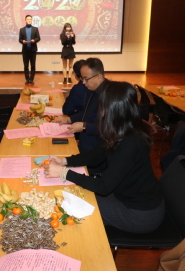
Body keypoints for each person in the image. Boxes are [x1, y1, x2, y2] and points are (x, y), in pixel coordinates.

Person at [45, 81, 165, 234]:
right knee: (76, 196)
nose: (99, 111)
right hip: (125, 198)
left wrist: (63, 172)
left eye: (102, 106)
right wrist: (65, 161)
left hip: (139, 214)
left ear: (112, 110)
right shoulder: (121, 128)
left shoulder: (131, 142)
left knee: (74, 207)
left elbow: (103, 186)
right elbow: (95, 156)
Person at [57, 58, 108, 165]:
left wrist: (85, 126)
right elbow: (88, 113)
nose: (83, 83)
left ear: (98, 77)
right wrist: (69, 119)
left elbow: (110, 127)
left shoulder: (110, 95)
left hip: (98, 154)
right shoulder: (92, 90)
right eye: (82, 78)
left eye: (86, 79)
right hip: (87, 148)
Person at [18, 15, 40, 85]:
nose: (29, 20)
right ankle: (27, 79)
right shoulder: (22, 29)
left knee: (33, 65)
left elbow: (38, 38)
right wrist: (22, 41)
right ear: (25, 20)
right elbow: (20, 39)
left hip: (33, 50)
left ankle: (32, 79)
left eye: (30, 19)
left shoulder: (35, 29)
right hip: (25, 50)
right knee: (26, 66)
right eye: (28, 19)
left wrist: (34, 40)